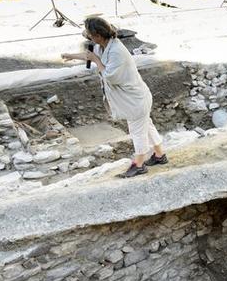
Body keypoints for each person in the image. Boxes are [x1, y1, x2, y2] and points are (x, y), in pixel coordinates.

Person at [62, 16, 168, 178]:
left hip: (135, 100)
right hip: (134, 98)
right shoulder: (104, 45)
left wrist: (96, 60)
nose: (88, 37)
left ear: (97, 35)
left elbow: (110, 76)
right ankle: (160, 155)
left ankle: (139, 165)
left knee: (137, 132)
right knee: (146, 126)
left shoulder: (117, 51)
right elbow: (90, 54)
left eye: (90, 34)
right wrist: (71, 55)